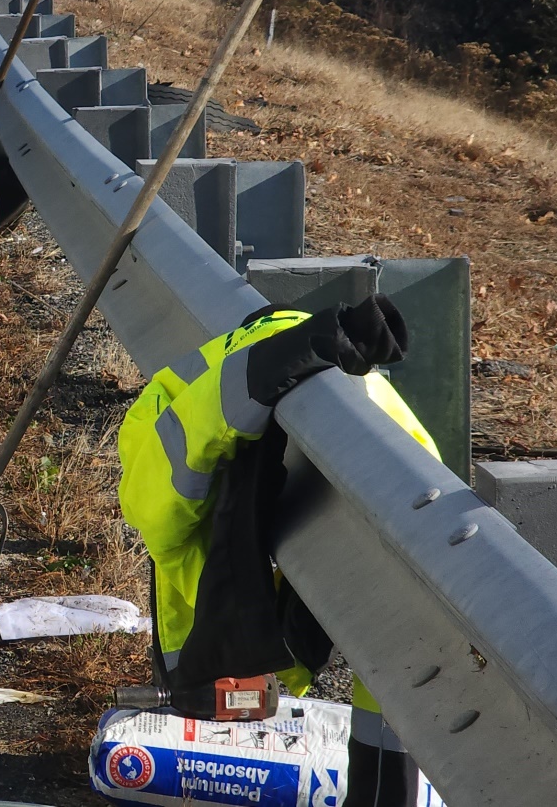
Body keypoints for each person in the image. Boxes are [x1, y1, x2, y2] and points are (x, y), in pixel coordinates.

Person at [118, 294, 432, 807]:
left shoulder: (384, 449)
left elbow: (398, 660)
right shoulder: (171, 441)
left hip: (287, 409)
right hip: (272, 413)